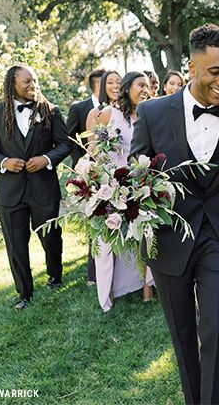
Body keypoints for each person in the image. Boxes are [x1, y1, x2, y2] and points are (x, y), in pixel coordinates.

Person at [130, 24, 219, 404]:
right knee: (182, 333)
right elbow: (138, 171)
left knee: (217, 329)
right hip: (170, 237)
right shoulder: (151, 112)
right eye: (214, 72)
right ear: (191, 67)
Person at [0, 64, 71, 309]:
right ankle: (24, 293)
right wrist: (4, 162)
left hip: (43, 188)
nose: (33, 85)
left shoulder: (50, 111)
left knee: (50, 237)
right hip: (10, 192)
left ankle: (55, 275)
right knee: (16, 244)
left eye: (35, 80)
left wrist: (47, 159)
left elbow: (65, 144)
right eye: (27, 82)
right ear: (13, 85)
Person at [93, 72, 156, 311]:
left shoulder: (148, 115)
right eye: (140, 85)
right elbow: (95, 150)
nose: (146, 90)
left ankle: (147, 284)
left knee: (145, 234)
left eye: (148, 86)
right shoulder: (110, 114)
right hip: (111, 185)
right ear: (127, 88)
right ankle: (106, 290)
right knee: (107, 240)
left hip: (139, 182)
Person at [65, 68, 105, 285]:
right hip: (88, 173)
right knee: (94, 221)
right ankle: (93, 273)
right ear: (96, 86)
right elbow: (70, 139)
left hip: (111, 171)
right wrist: (84, 163)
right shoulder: (80, 108)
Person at [66, 68, 105, 166]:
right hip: (87, 166)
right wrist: (80, 160)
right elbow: (69, 138)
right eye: (107, 82)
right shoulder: (78, 108)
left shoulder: (115, 108)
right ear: (98, 85)